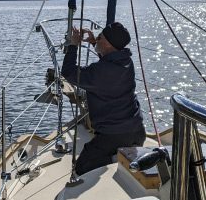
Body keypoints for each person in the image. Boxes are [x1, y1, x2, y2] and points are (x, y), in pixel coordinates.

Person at [61, 22, 146, 175]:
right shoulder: (127, 61)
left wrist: (74, 45)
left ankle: (115, 159)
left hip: (114, 135)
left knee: (82, 168)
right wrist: (95, 42)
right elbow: (109, 57)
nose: (96, 39)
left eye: (99, 37)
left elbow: (68, 72)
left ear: (107, 43)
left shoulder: (99, 72)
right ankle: (119, 157)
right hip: (137, 131)